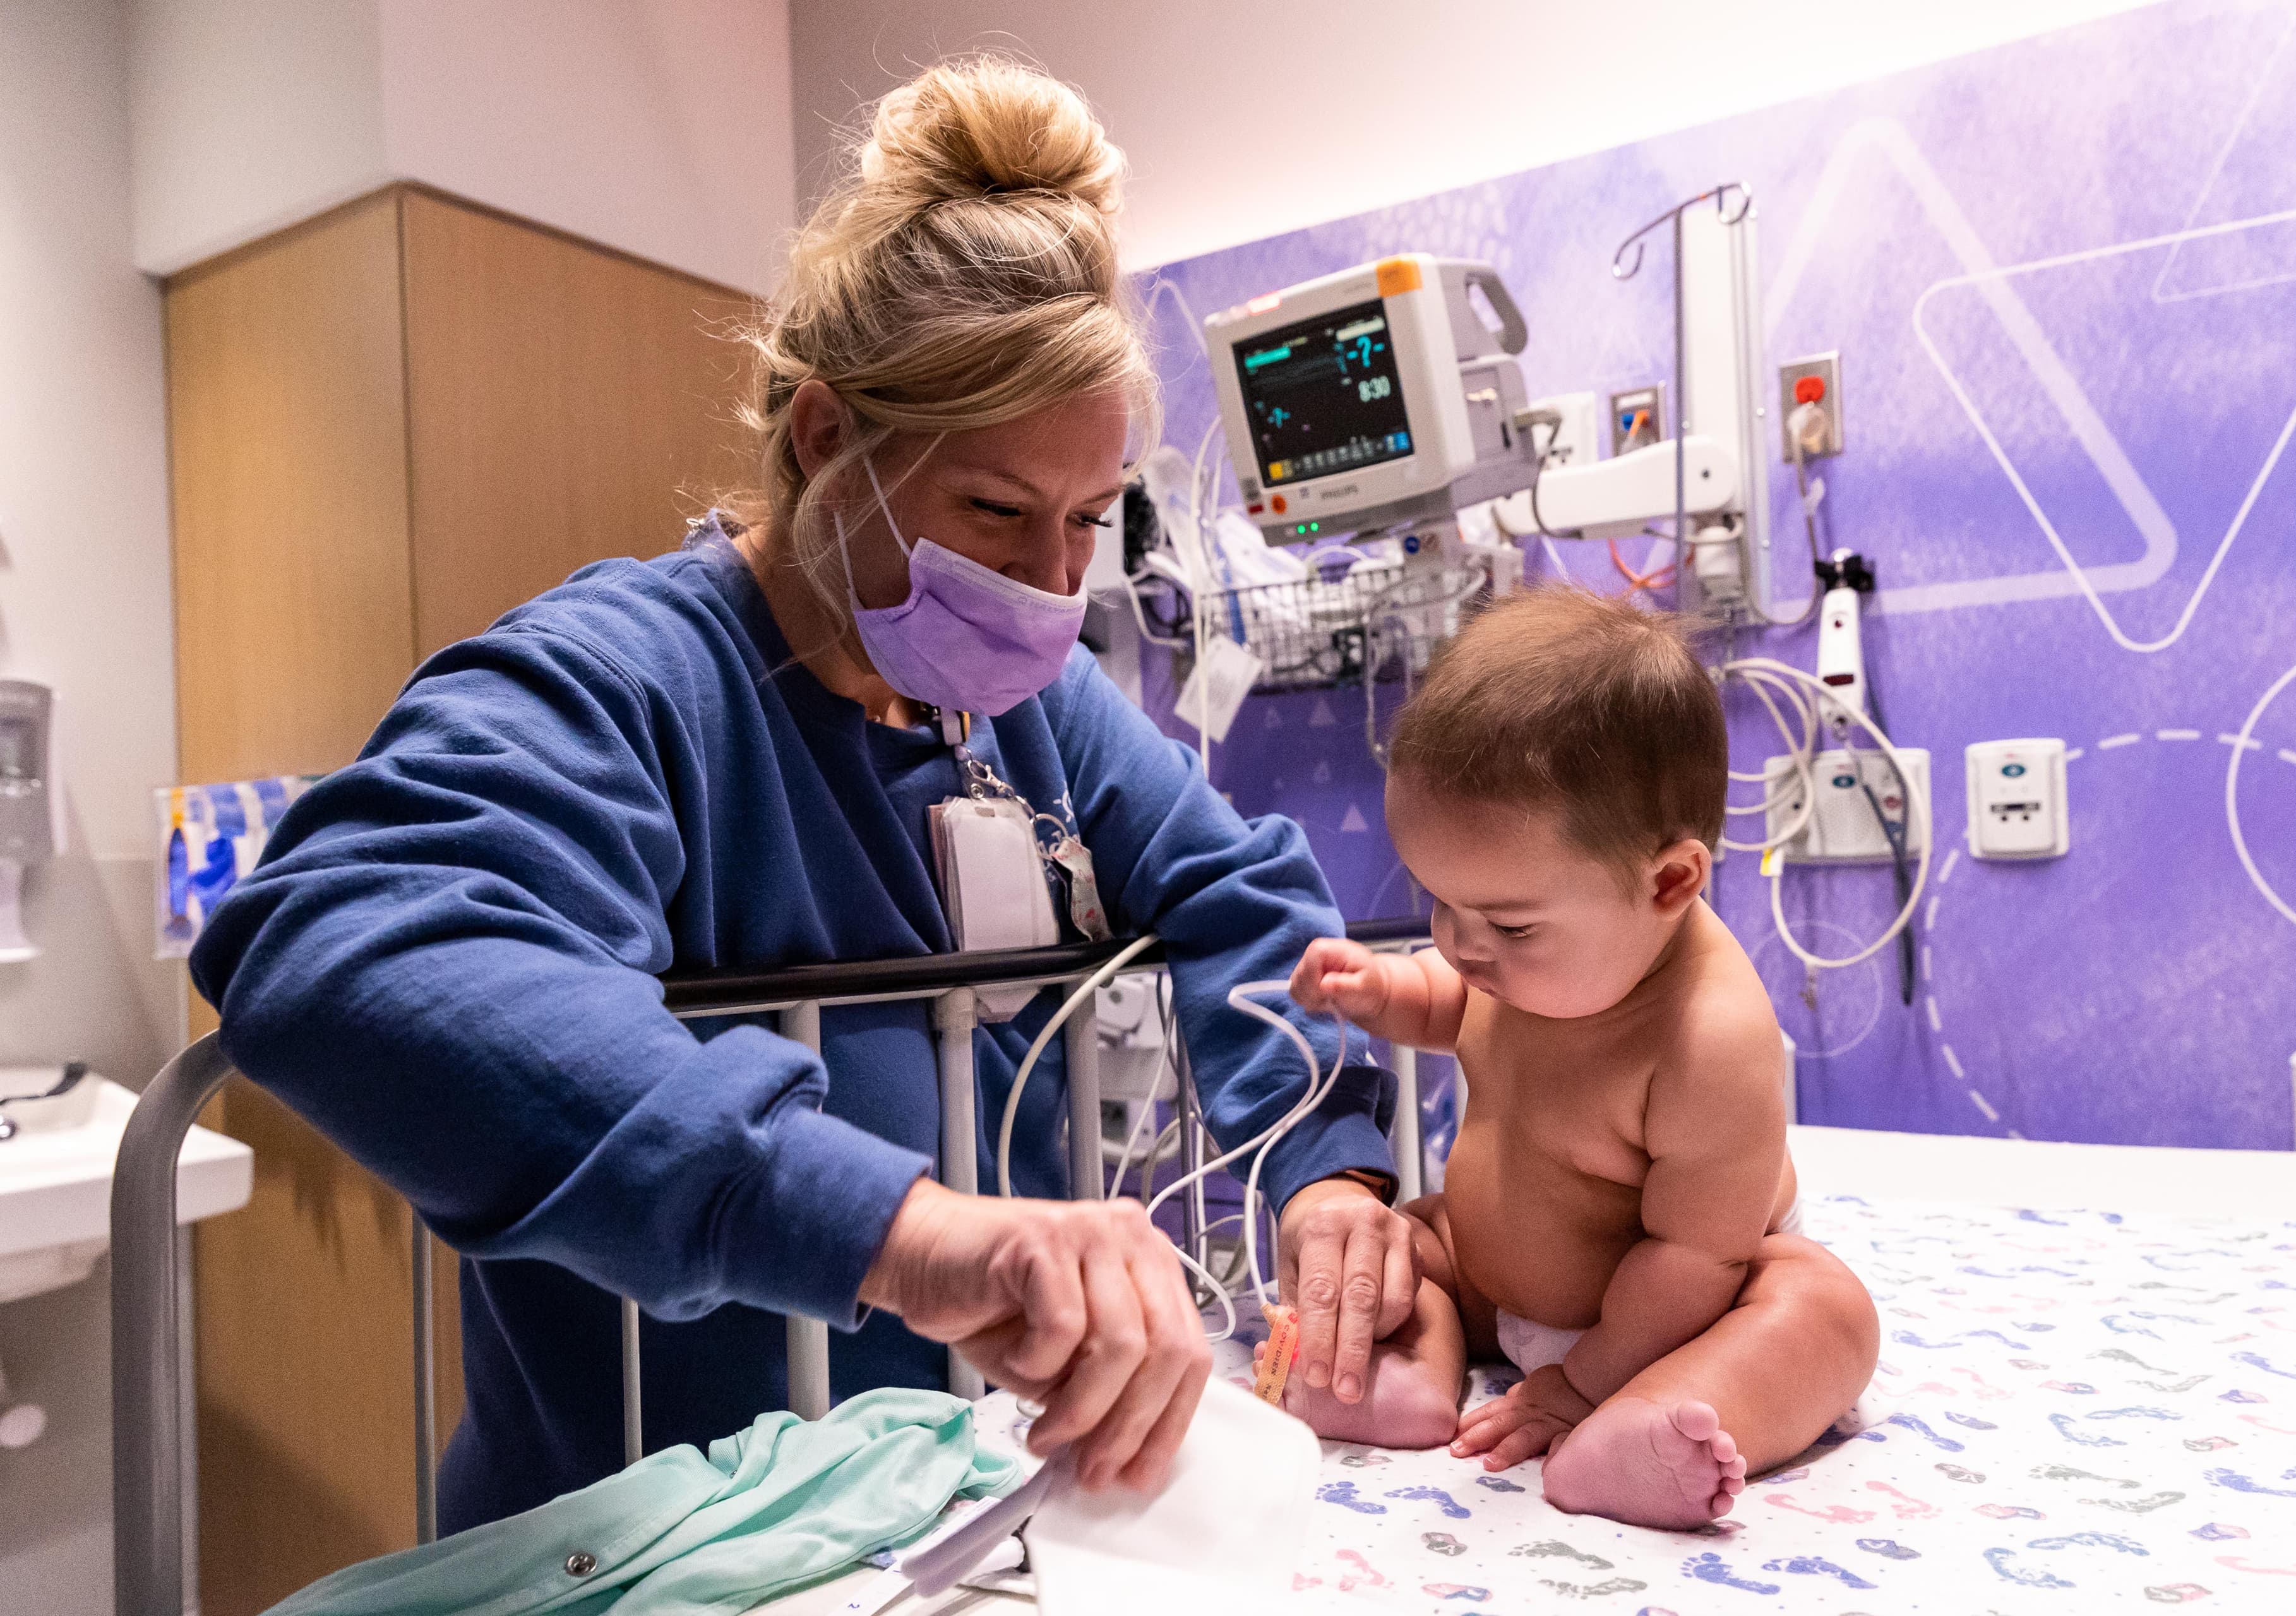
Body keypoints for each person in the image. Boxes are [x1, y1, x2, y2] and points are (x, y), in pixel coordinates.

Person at [190, 58, 1416, 1533]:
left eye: (1089, 520)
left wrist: (1323, 1164)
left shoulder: (1038, 712)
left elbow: (1241, 889)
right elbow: (344, 938)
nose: (1052, 588)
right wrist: (900, 1230)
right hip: (662, 1538)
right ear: (829, 436)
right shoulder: (632, 682)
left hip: (958, 1506)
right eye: (995, 511)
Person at [1275, 588, 1880, 1528]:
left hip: (1670, 1316)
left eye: (1507, 922)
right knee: (1401, 1246)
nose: (1463, 945)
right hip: (1488, 1274)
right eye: (1440, 903)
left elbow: (1694, 1256)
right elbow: (1452, 997)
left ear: (1668, 882)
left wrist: (1583, 1381)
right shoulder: (1524, 959)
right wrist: (1382, 991)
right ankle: (1397, 1381)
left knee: (1822, 1308)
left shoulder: (1707, 1036)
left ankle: (1649, 1427)